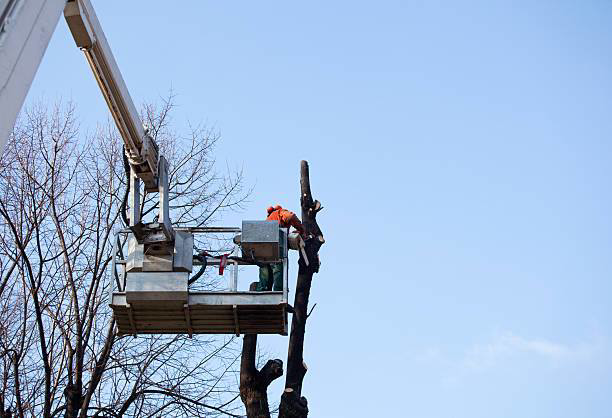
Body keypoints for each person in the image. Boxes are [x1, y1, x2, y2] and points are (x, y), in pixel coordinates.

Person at [257, 205, 305, 291]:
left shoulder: (268, 219)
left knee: (265, 266)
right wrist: (301, 230)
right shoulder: (279, 212)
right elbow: (291, 216)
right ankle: (278, 291)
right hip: (275, 240)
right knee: (278, 265)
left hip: (263, 244)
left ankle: (262, 290)